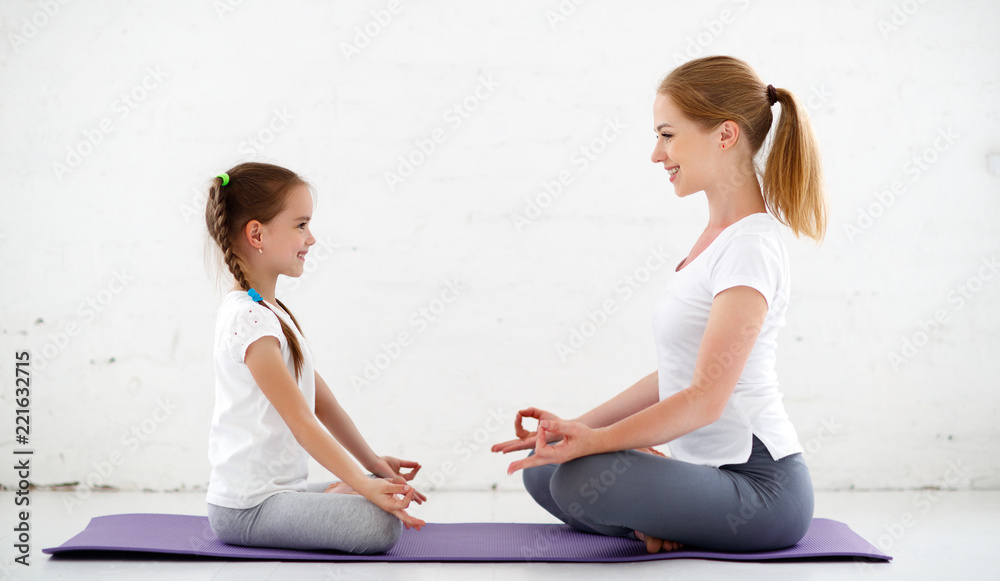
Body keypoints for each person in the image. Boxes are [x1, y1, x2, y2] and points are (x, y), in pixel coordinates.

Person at [492, 55, 825, 554]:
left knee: (578, 480)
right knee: (548, 471)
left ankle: (661, 517)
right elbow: (674, 373)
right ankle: (661, 523)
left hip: (761, 490)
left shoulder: (749, 247)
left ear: (725, 135)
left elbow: (706, 398)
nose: (656, 154)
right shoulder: (716, 240)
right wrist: (579, 429)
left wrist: (604, 442)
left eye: (667, 135)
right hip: (710, 474)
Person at [203, 162, 425, 554]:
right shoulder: (249, 319)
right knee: (381, 527)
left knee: (382, 496)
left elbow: (321, 403)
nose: (312, 238)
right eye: (301, 225)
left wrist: (373, 467)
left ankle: (344, 491)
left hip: (276, 494)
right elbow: (302, 422)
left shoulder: (271, 311)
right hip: (247, 508)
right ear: (257, 234)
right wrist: (363, 485)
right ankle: (345, 492)